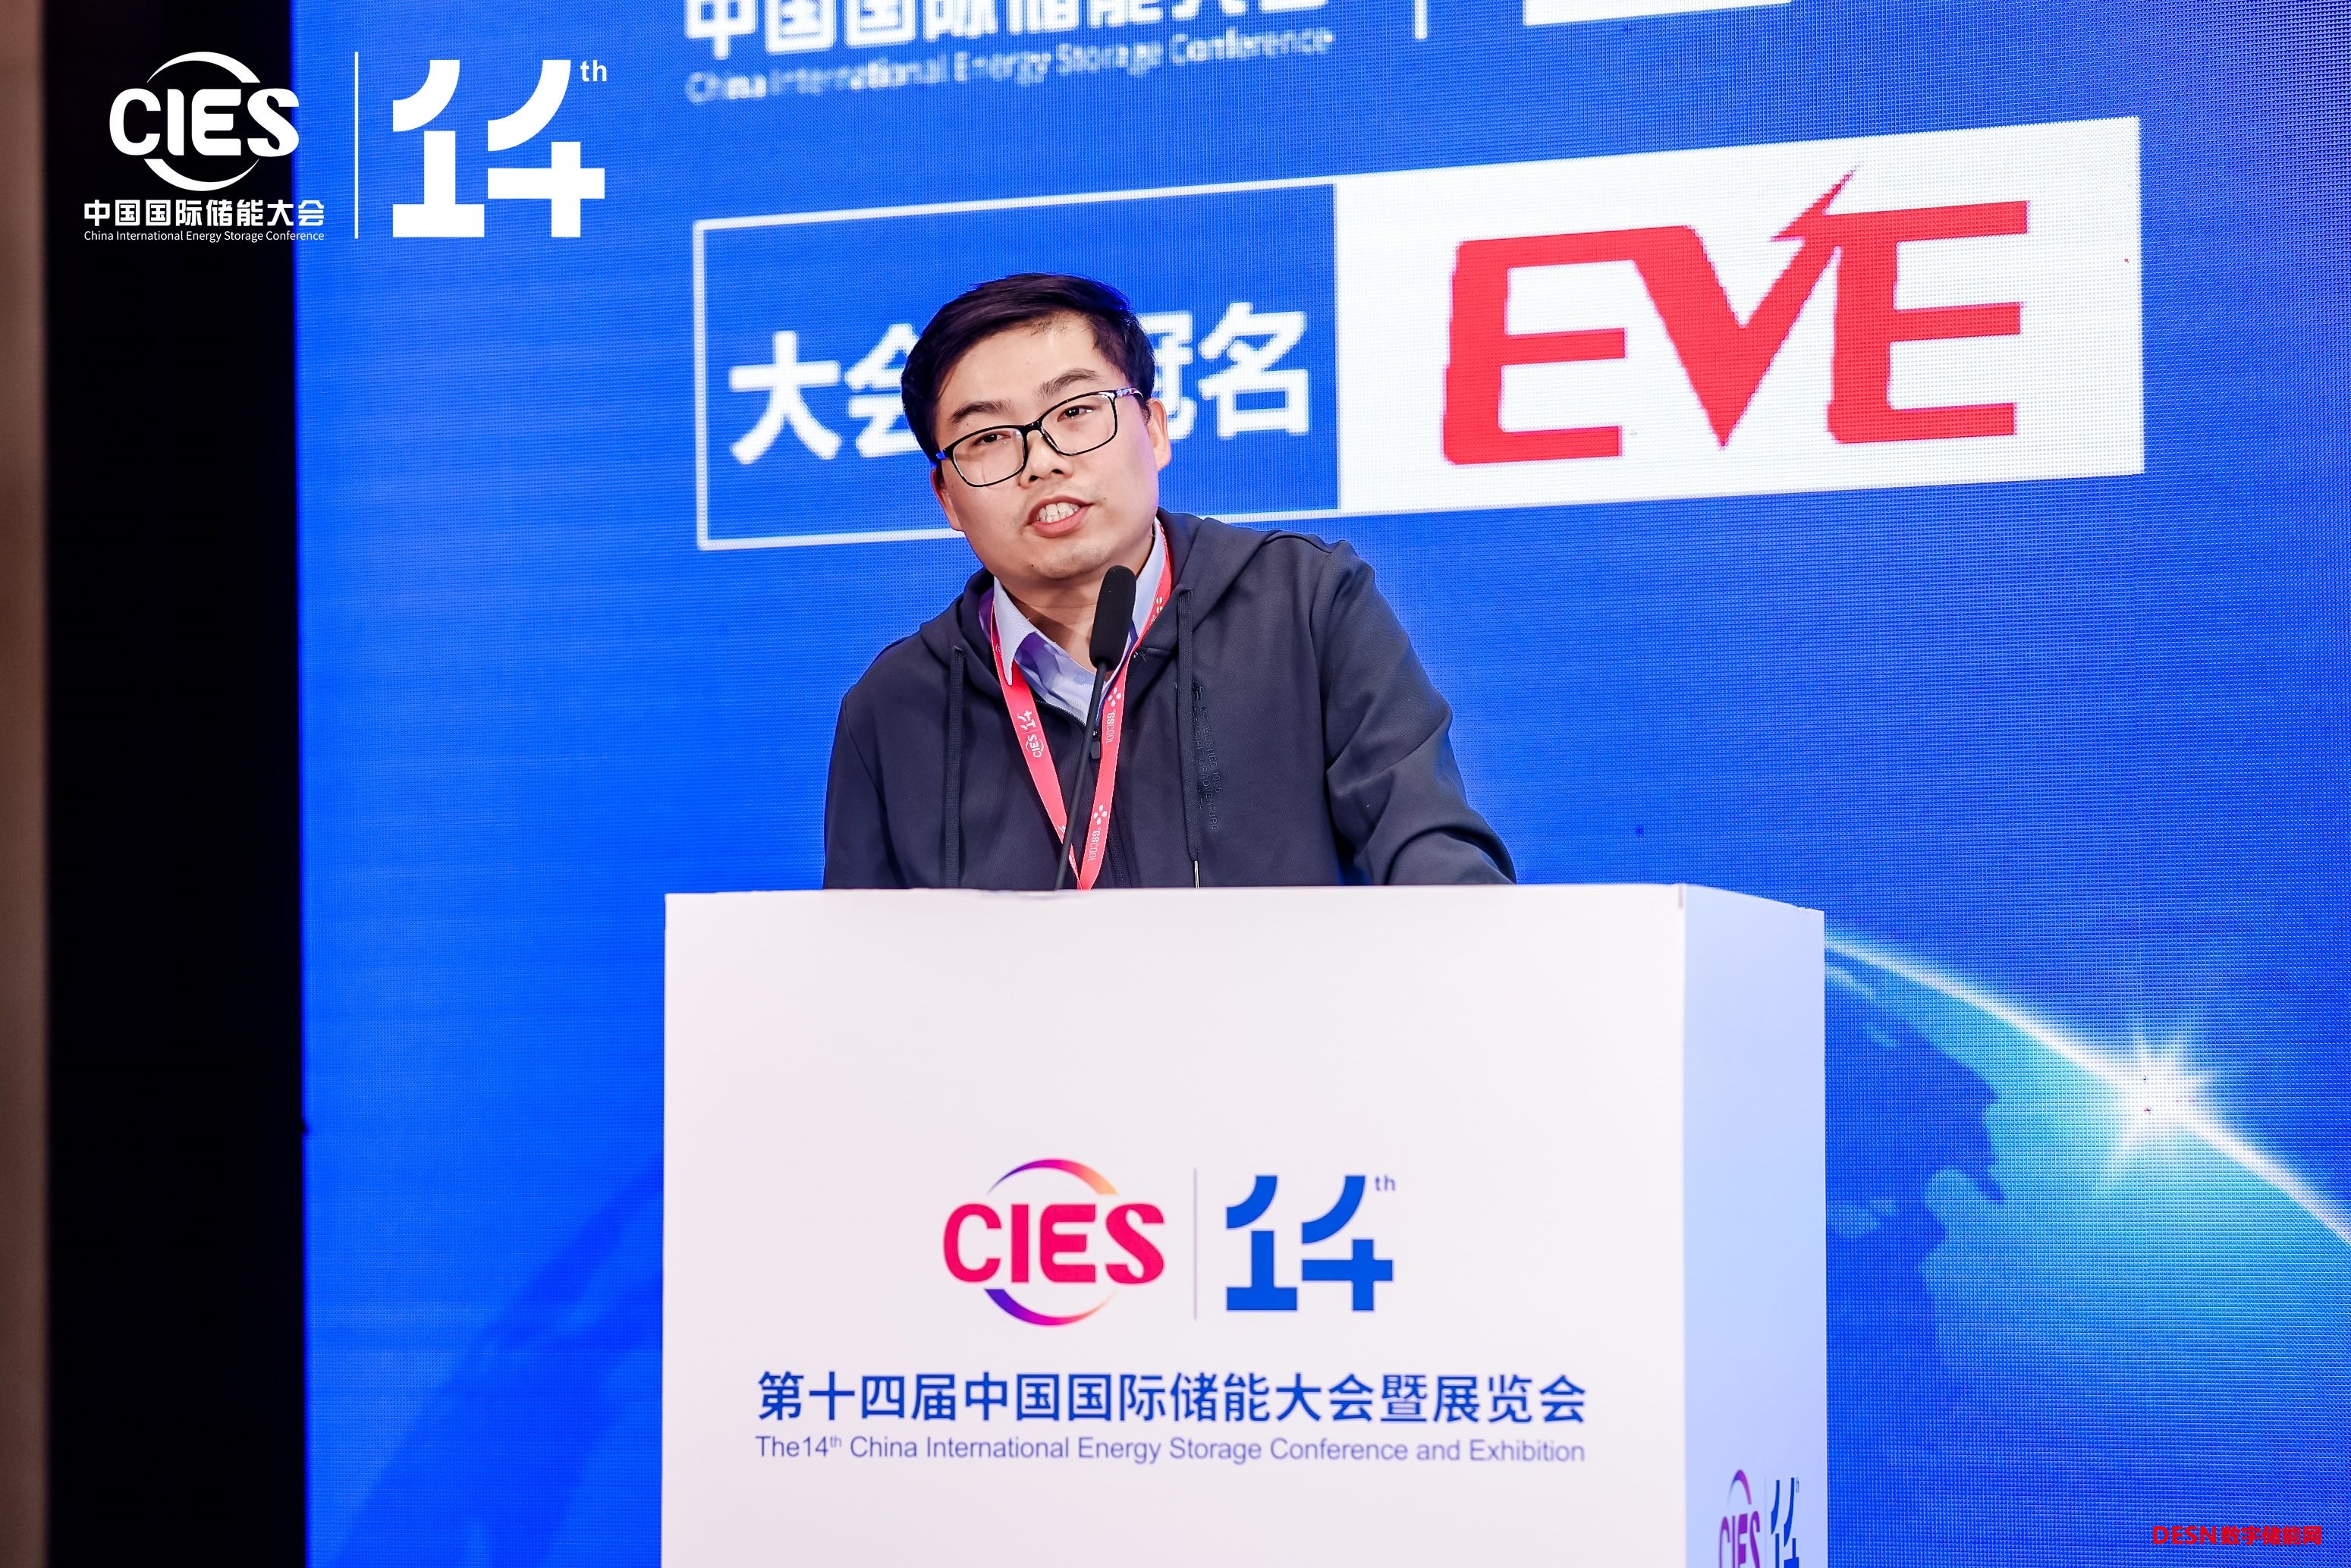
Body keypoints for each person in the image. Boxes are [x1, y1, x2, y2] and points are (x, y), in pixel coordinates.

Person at [822, 272, 1513, 890]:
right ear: (947, 498)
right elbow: (860, 962)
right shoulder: (890, 711)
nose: (1041, 462)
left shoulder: (1305, 604)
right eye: (989, 438)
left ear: (1152, 430)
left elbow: (1429, 848)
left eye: (1075, 411)